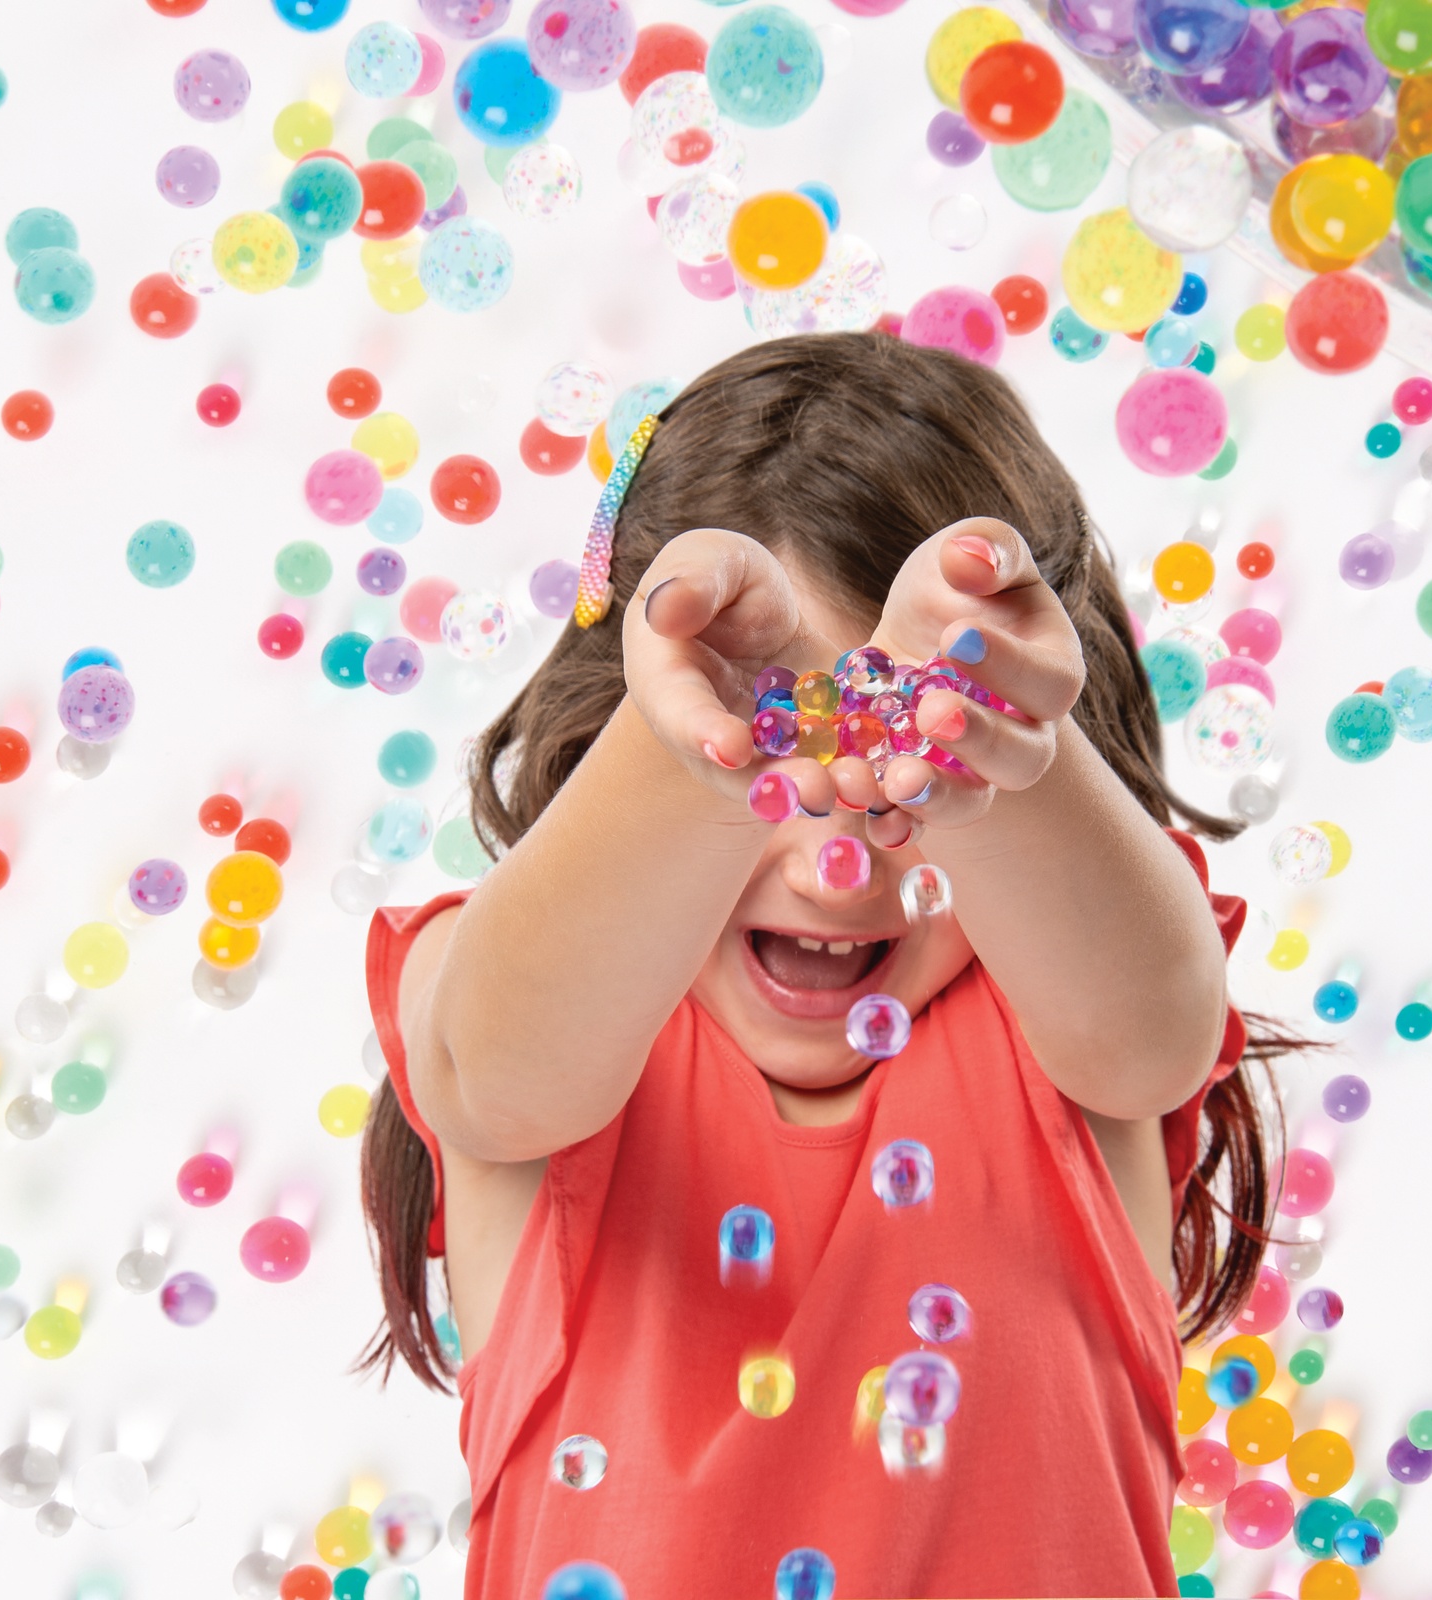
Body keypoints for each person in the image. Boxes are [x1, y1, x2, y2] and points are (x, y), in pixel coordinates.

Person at [360, 332, 1299, 1599]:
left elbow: (1156, 1030)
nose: (834, 863)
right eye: (774, 744)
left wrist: (989, 718)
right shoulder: (543, 1014)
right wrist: (684, 742)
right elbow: (495, 1068)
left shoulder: (1064, 1020)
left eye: (902, 764)